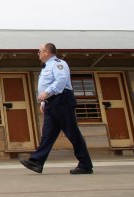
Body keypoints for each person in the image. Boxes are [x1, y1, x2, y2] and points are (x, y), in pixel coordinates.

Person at [20, 43, 94, 175]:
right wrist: (44, 102)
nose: (38, 53)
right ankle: (36, 161)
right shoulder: (45, 67)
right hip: (51, 102)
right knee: (47, 134)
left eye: (39, 51)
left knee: (72, 133)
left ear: (47, 52)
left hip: (62, 100)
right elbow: (46, 85)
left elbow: (61, 79)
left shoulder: (58, 63)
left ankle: (85, 165)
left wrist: (47, 93)